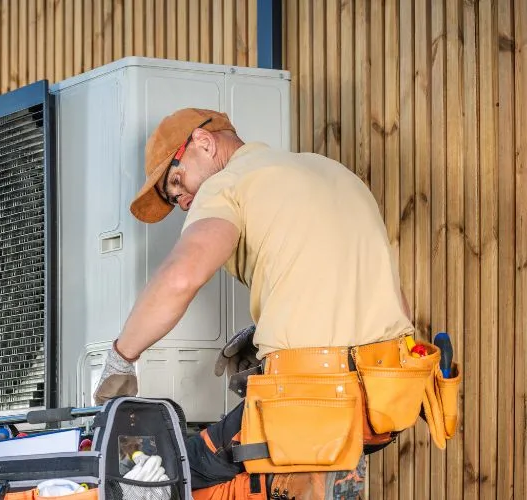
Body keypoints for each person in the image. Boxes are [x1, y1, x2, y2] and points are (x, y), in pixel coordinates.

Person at [92, 108, 458, 499]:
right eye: (174, 197)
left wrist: (122, 356)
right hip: (383, 405)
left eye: (177, 182)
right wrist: (276, 330)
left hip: (310, 402)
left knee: (171, 469)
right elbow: (389, 298)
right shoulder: (330, 171)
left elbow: (181, 277)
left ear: (203, 141)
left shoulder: (229, 183)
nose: (181, 201)